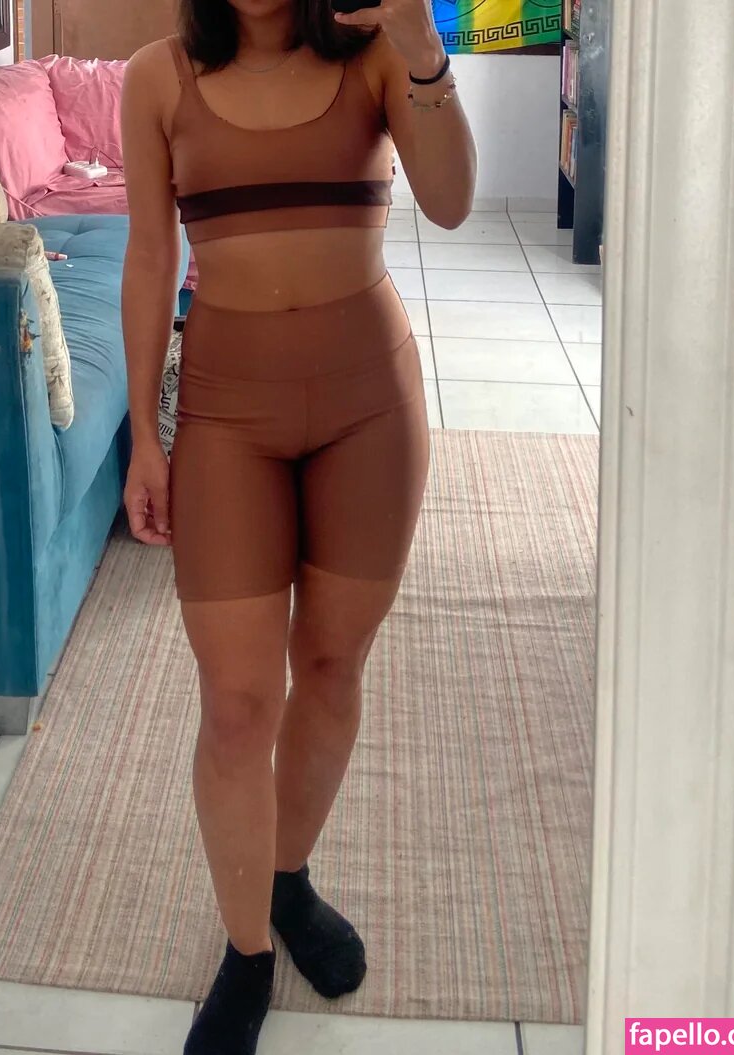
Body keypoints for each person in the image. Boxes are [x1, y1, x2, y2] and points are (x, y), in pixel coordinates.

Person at [120, 1, 475, 1050]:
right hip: (227, 415)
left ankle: (286, 878)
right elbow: (150, 257)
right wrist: (145, 435)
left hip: (370, 407)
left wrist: (422, 47)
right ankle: (246, 954)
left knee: (329, 663)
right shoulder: (158, 78)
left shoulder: (375, 56)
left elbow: (453, 202)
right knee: (237, 705)